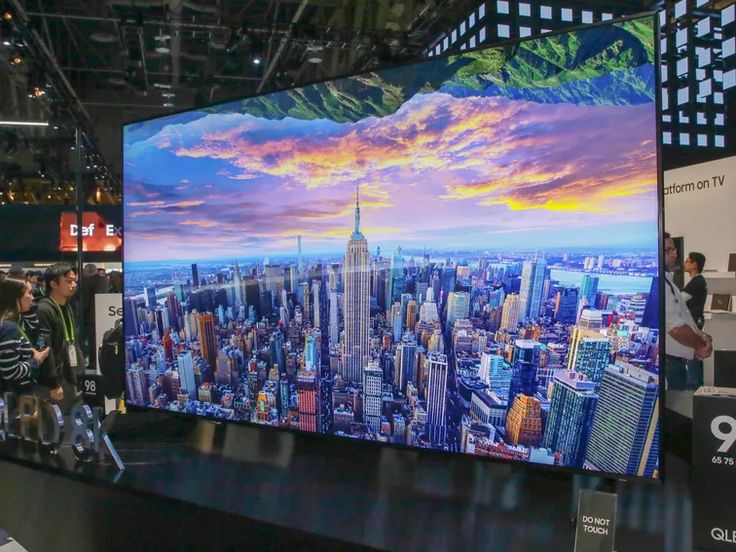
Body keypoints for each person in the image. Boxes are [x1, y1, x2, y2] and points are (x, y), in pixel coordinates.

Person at [663, 233, 712, 390]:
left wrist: (699, 342)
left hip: (681, 352)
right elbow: (675, 327)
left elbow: (681, 315)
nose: (675, 254)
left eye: (674, 249)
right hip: (674, 358)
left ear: (695, 265)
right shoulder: (664, 283)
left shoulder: (694, 282)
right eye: (668, 250)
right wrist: (700, 344)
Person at [36, 263, 81, 407]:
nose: (73, 285)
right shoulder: (44, 310)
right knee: (56, 423)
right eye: (68, 281)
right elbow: (45, 349)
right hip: (54, 381)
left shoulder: (67, 306)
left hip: (70, 375)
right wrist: (53, 383)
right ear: (54, 284)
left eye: (74, 281)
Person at [0, 278, 49, 393]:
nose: (32, 298)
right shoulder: (9, 327)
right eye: (29, 293)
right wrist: (36, 360)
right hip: (13, 398)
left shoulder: (8, 322)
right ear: (16, 297)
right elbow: (10, 371)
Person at [683, 252, 707, 389]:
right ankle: (697, 383)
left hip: (694, 322)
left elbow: (680, 300)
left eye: (687, 261)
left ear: (694, 265)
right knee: (696, 352)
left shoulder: (696, 282)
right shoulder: (698, 281)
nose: (684, 263)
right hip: (696, 321)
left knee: (692, 352)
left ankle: (693, 385)